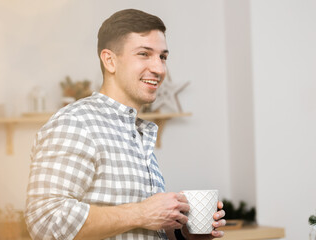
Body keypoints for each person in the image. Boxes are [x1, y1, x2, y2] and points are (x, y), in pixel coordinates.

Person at [25, 9, 226, 240]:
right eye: (144, 54)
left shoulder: (138, 132)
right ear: (110, 60)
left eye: (163, 57)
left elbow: (142, 231)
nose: (159, 69)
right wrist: (141, 213)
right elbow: (45, 221)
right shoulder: (75, 124)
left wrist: (181, 233)